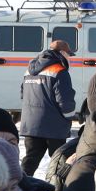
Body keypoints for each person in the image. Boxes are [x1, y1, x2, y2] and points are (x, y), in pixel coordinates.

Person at [19, 38, 77, 177]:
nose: (69, 58)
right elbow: (65, 101)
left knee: (30, 160)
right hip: (54, 127)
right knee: (59, 162)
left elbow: (23, 95)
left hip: (31, 125)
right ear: (62, 53)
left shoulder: (29, 70)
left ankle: (19, 189)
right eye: (69, 55)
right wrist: (70, 117)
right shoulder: (59, 71)